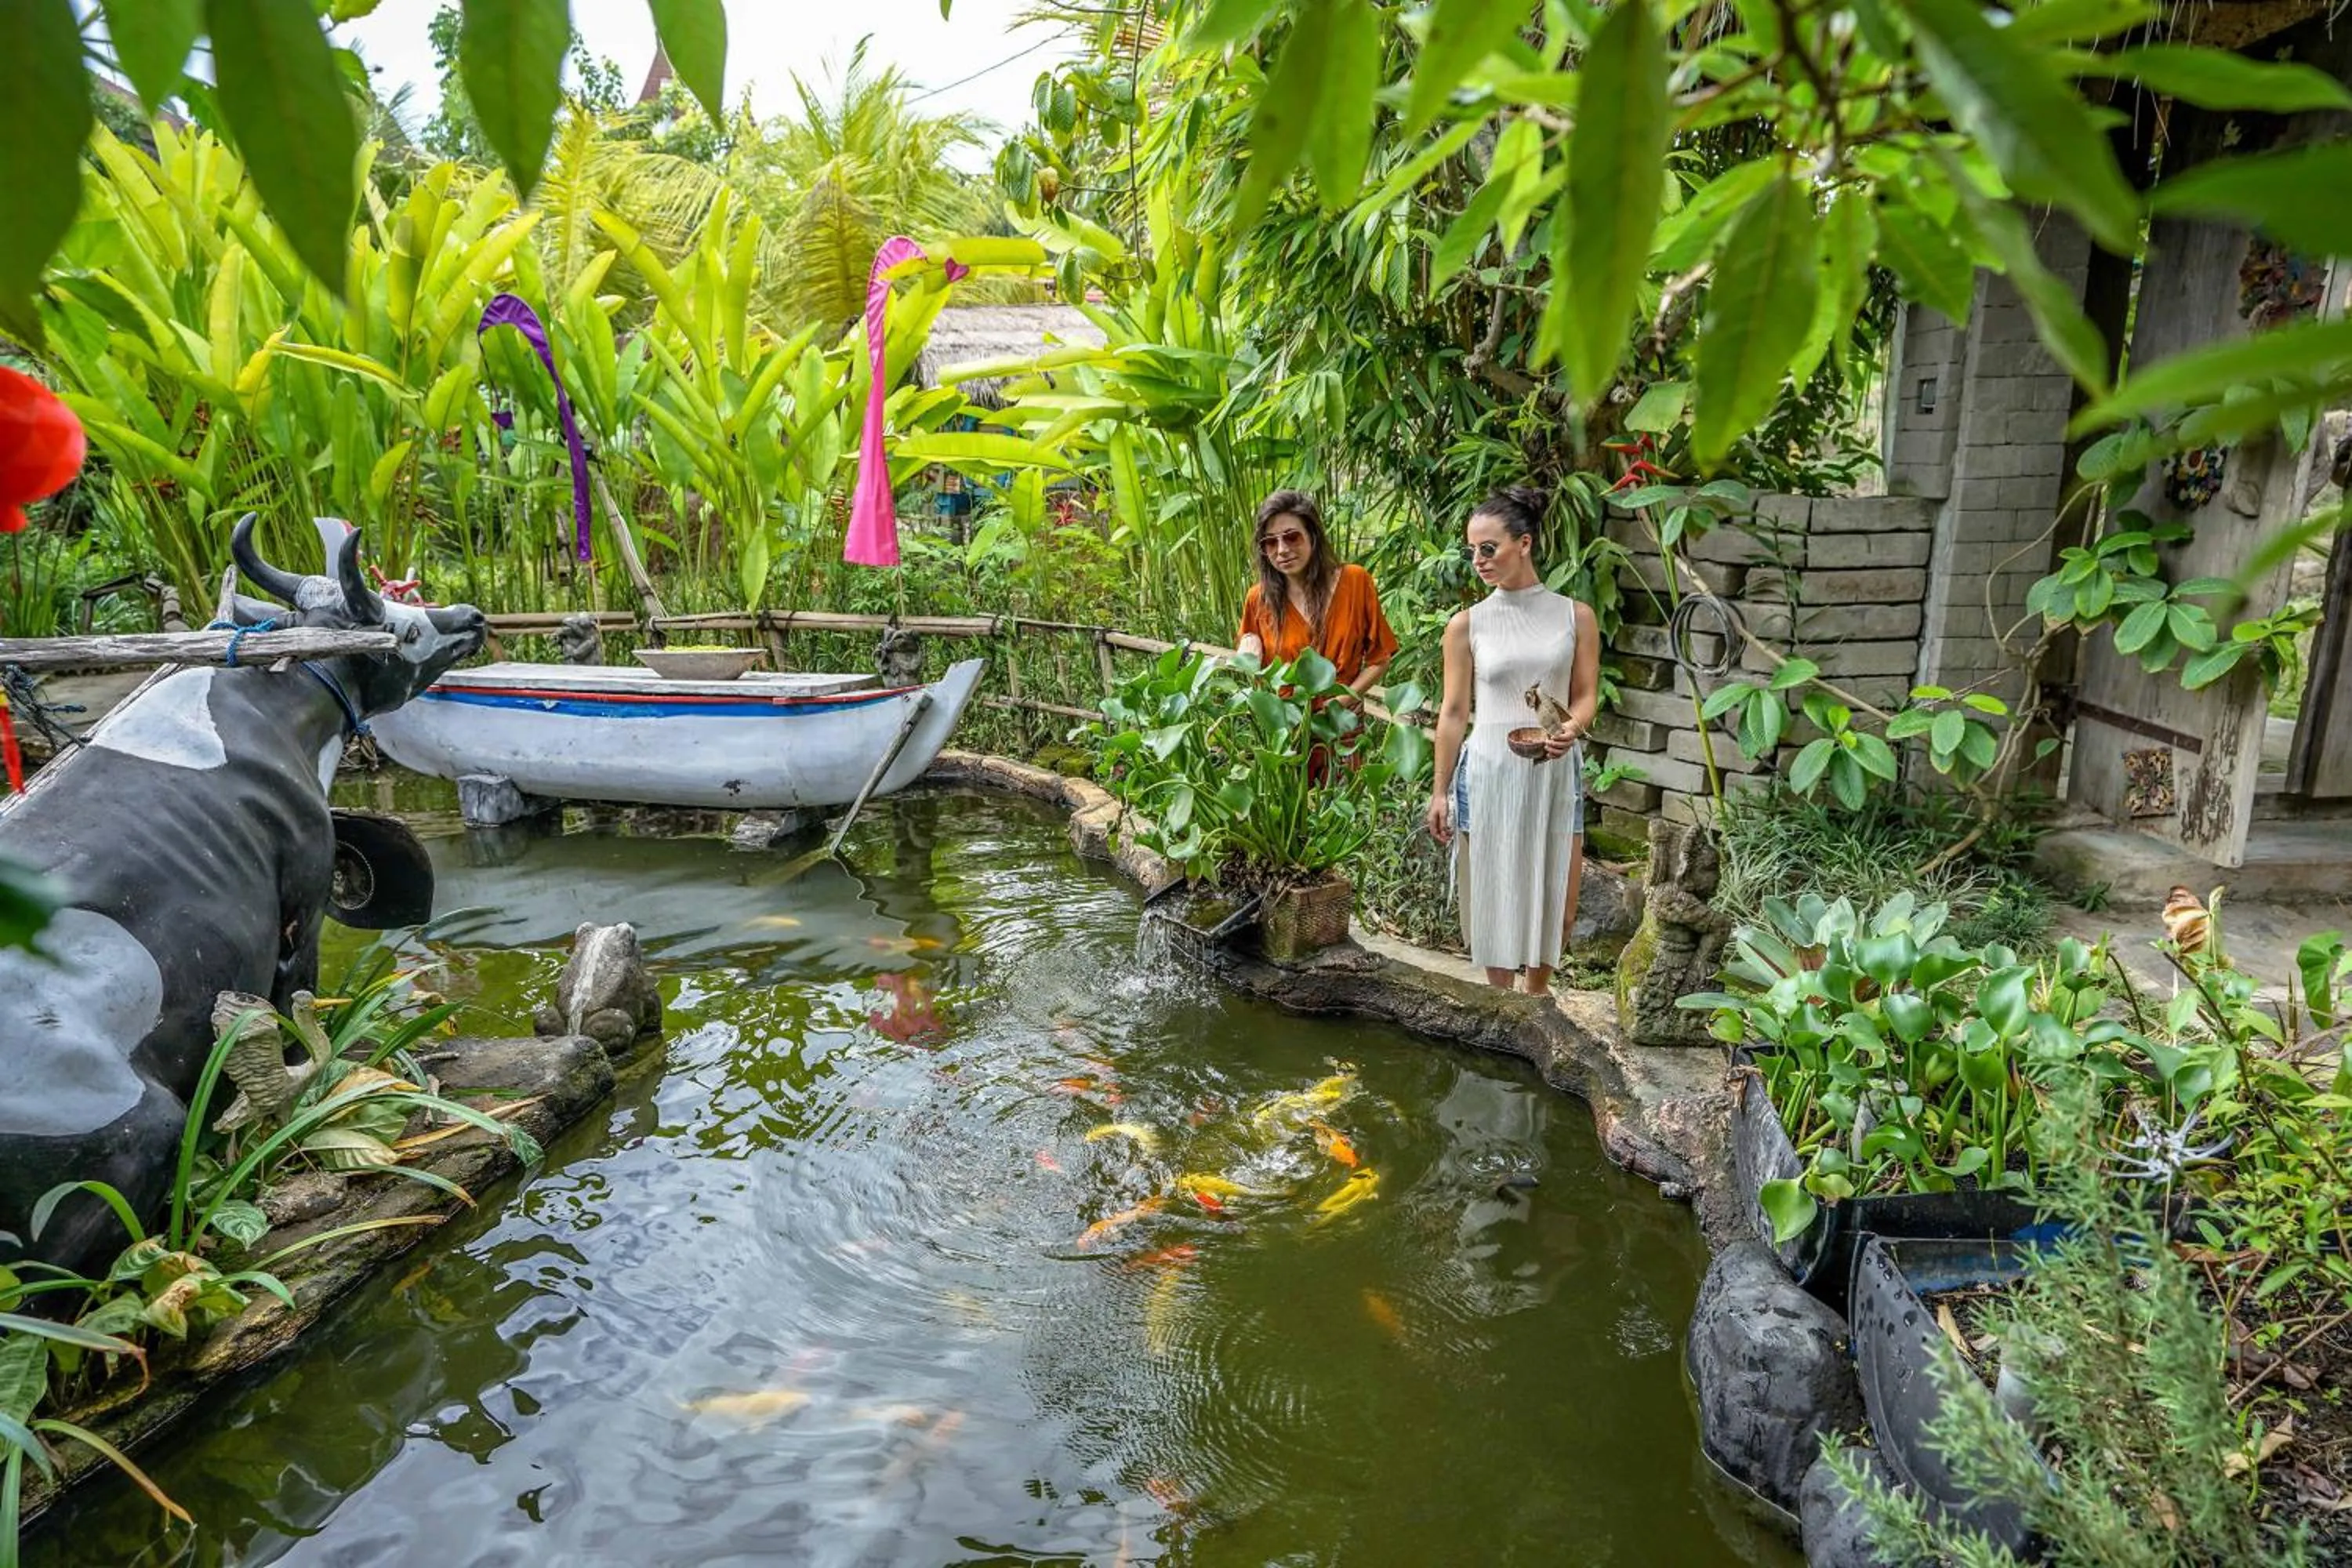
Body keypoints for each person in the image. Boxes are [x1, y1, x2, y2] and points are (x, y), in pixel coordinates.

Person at [1424, 485, 1601, 994]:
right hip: (1487, 772)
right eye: (1472, 550)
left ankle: (1538, 996)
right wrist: (1440, 792)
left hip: (1554, 767)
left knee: (1559, 903)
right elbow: (1454, 713)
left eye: (1488, 548)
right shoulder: (1467, 625)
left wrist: (1571, 726)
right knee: (1495, 900)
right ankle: (1502, 1006)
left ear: (1524, 543)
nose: (1478, 560)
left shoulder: (1575, 616)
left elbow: (1587, 694)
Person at [1233, 490, 1397, 704]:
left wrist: (1342, 702)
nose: (1282, 550)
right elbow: (1249, 653)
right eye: (1271, 542)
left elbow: (1381, 659)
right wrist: (1248, 644)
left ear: (1313, 536)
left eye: (1292, 537)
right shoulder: (1257, 598)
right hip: (1286, 729)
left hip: (1342, 726)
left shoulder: (1355, 581)